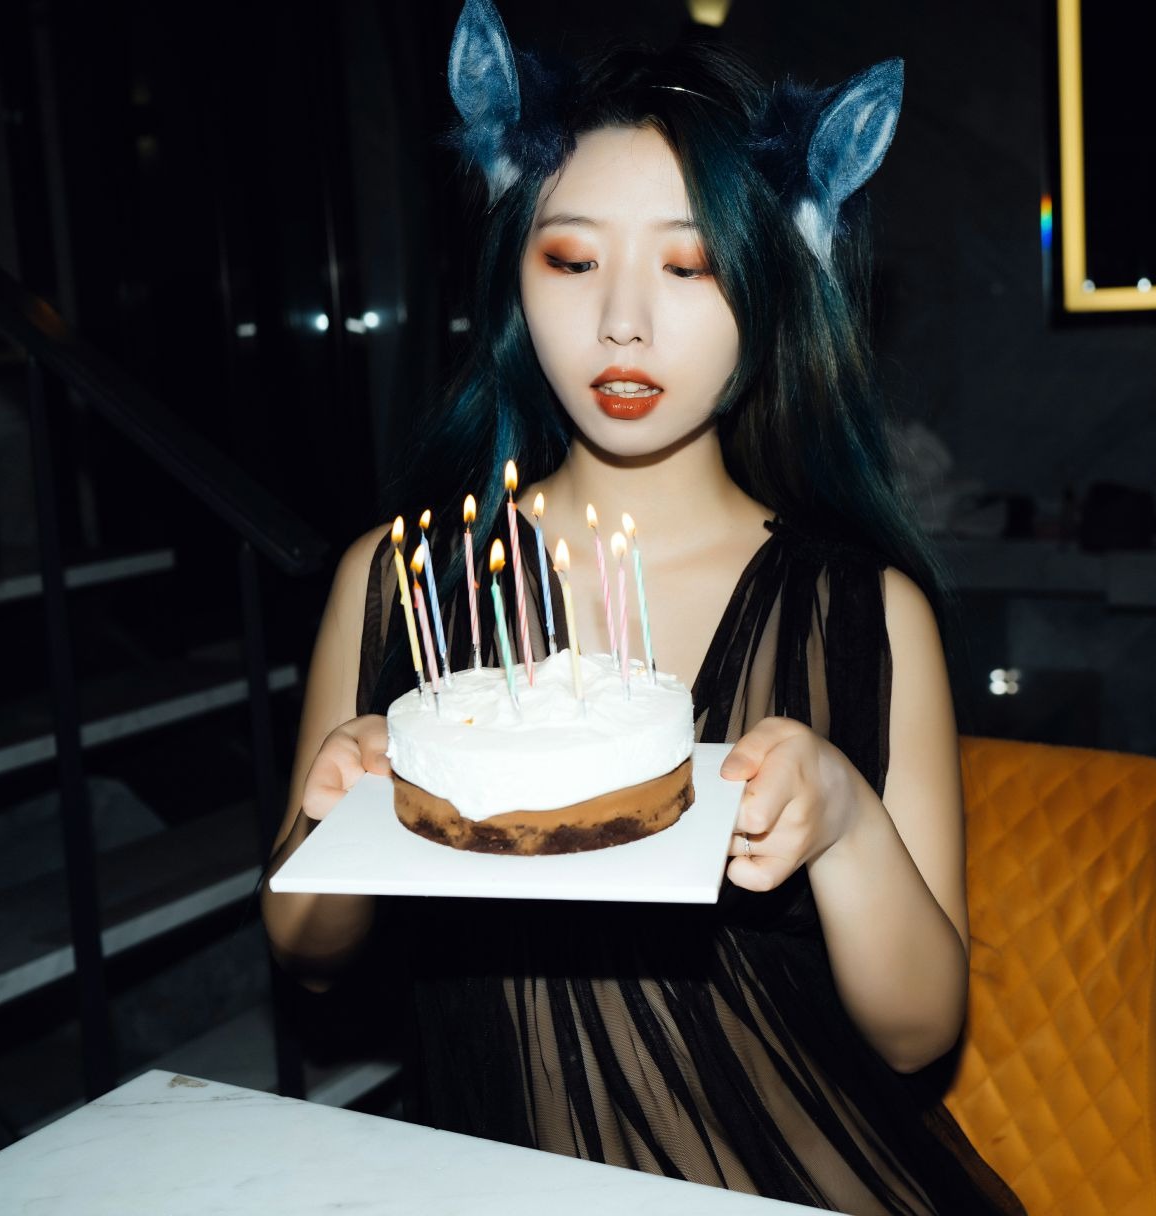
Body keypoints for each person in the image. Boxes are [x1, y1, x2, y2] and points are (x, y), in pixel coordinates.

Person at [263, 3, 1023, 1212]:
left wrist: (843, 822)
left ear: (773, 284)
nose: (622, 320)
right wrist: (340, 815)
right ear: (515, 277)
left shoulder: (864, 609)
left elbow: (917, 1032)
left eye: (689, 266)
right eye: (572, 261)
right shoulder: (399, 582)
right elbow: (307, 960)